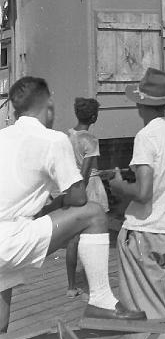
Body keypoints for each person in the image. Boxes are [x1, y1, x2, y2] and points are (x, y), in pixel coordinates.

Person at [0, 77, 145, 332]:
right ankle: (101, 300)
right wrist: (55, 205)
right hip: (9, 238)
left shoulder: (3, 136)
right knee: (94, 214)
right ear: (49, 107)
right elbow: (78, 198)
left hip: (4, 238)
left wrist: (44, 208)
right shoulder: (53, 140)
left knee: (2, 288)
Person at [110, 68, 165, 339]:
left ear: (140, 104)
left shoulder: (146, 137)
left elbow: (144, 192)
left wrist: (120, 187)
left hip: (145, 233)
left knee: (143, 313)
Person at [66, 98, 109, 298]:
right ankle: (94, 285)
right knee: (95, 237)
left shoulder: (69, 135)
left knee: (73, 239)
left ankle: (71, 286)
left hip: (71, 187)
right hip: (88, 187)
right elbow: (85, 172)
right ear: (93, 117)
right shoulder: (90, 139)